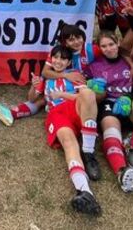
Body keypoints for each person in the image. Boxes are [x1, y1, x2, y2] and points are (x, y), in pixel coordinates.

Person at [84, 31, 133, 193]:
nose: (108, 49)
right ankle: (121, 170)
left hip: (129, 105)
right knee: (110, 127)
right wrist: (91, 85)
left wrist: (129, 97)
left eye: (111, 44)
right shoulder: (94, 65)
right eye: (103, 46)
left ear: (118, 42)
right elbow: (86, 87)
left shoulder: (132, 61)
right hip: (109, 107)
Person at [0, 24, 100, 126]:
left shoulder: (92, 49)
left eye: (78, 37)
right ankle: (12, 113)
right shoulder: (58, 51)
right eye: (71, 40)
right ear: (65, 42)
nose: (76, 42)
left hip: (81, 84)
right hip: (63, 79)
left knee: (90, 97)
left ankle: (90, 121)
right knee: (43, 98)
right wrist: (65, 76)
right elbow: (45, 72)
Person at [40, 45, 102, 215]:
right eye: (55, 57)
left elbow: (82, 96)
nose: (58, 61)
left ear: (69, 62)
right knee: (69, 143)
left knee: (88, 93)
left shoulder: (75, 75)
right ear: (51, 58)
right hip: (57, 113)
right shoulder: (47, 77)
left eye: (63, 58)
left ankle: (88, 152)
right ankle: (84, 191)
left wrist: (61, 95)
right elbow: (34, 98)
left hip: (74, 108)